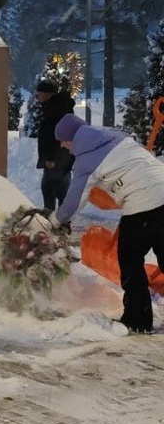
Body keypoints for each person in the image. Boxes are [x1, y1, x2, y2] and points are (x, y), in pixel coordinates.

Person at [54, 114, 164, 334]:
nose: (62, 146)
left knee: (130, 261)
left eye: (62, 141)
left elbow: (75, 201)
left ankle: (137, 320)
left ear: (71, 138)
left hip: (143, 204)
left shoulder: (86, 160)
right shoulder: (115, 137)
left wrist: (56, 220)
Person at [33, 79, 76, 211]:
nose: (37, 96)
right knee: (51, 189)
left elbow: (55, 135)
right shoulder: (55, 107)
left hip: (58, 159)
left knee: (54, 190)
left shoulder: (56, 109)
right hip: (60, 158)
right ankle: (55, 220)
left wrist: (51, 158)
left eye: (39, 93)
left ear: (47, 94)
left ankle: (58, 221)